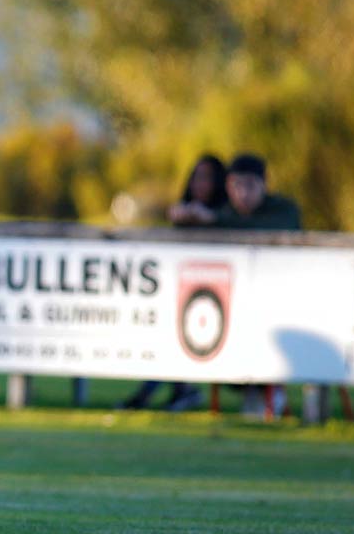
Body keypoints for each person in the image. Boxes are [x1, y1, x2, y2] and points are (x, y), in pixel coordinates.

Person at [122, 154, 228, 411]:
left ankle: (162, 394)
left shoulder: (227, 214)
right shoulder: (185, 212)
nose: (201, 185)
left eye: (207, 178)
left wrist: (212, 220)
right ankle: (174, 392)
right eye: (197, 177)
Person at [214, 153, 302, 231]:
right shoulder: (224, 211)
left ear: (265, 183)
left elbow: (275, 229)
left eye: (250, 185)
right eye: (237, 184)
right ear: (227, 186)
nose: (243, 193)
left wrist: (217, 221)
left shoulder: (285, 209)